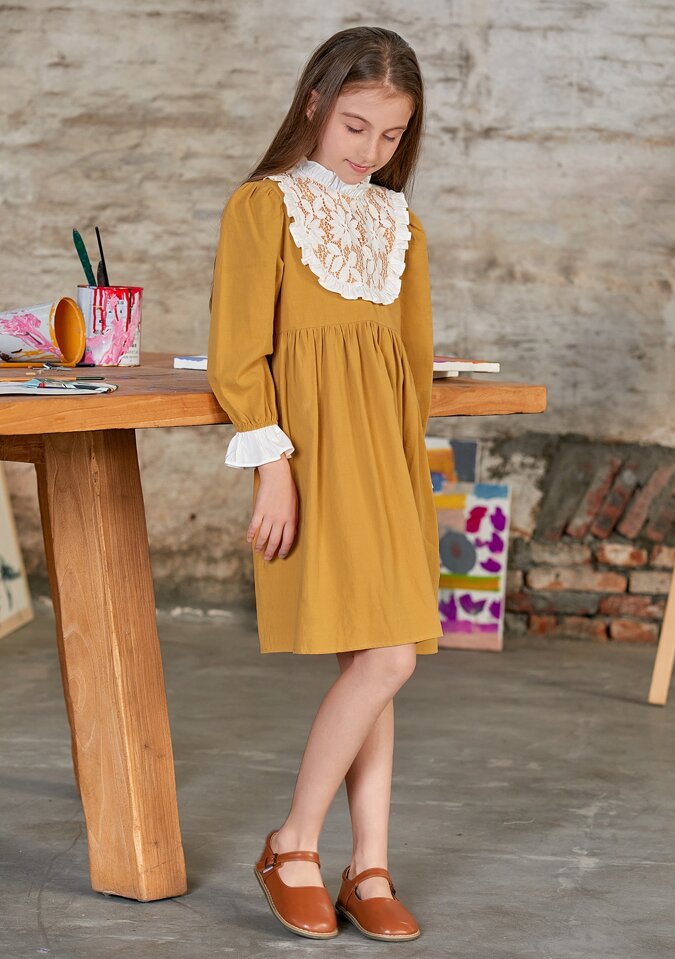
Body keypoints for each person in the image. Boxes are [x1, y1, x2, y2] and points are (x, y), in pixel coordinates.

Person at [207, 25, 441, 943]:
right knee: (385, 659)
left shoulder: (399, 223)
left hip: (386, 462)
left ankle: (368, 864)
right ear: (313, 103)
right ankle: (294, 842)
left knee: (376, 662)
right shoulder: (263, 208)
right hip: (309, 459)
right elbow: (237, 353)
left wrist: (406, 469)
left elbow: (411, 362)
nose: (370, 150)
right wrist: (275, 469)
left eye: (391, 134)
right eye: (354, 126)